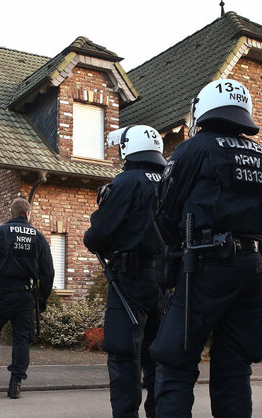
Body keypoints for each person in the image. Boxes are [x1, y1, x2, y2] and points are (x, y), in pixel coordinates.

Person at [150, 78, 262, 417]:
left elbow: (166, 212)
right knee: (234, 367)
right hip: (251, 268)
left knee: (174, 364)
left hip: (205, 268)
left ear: (203, 110)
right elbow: (261, 215)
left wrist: (173, 251)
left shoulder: (194, 148)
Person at [84, 125, 171, 418]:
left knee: (124, 356)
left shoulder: (127, 181)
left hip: (129, 281)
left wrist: (92, 237)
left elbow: (99, 234)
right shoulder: (169, 181)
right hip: (165, 281)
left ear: (127, 149)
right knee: (157, 356)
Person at [0, 198, 55, 400]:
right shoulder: (39, 238)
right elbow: (48, 273)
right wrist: (42, 300)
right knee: (22, 339)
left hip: (2, 294)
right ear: (28, 214)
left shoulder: (0, 232)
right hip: (25, 296)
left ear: (12, 213)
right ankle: (15, 385)